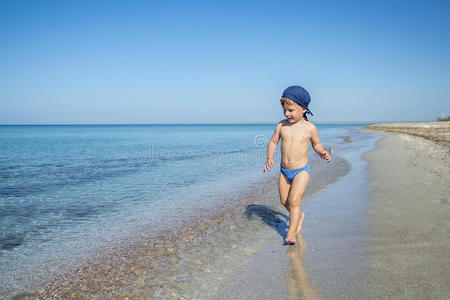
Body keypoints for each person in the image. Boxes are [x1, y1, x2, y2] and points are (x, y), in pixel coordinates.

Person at [264, 86, 331, 244]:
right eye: (284, 110)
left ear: (303, 109)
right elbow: (273, 142)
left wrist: (322, 152)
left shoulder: (310, 128)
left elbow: (317, 144)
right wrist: (269, 158)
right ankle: (299, 214)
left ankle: (291, 233)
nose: (287, 114)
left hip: (301, 171)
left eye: (291, 110)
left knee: (294, 201)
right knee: (284, 201)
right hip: (284, 171)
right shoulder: (281, 126)